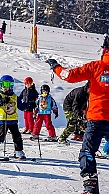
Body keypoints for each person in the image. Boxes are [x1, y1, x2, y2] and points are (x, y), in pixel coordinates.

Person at [46, 53, 109, 193]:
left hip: (96, 119)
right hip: (92, 117)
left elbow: (69, 75)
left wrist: (55, 67)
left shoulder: (96, 66)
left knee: (87, 152)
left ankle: (90, 187)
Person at [0, 75, 26, 160]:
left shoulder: (15, 96)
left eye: (7, 85)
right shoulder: (0, 95)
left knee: (17, 136)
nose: (5, 87)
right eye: (3, 85)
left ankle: (18, 151)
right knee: (1, 135)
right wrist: (2, 101)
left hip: (13, 120)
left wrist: (29, 105)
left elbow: (21, 106)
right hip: (4, 119)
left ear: (11, 86)